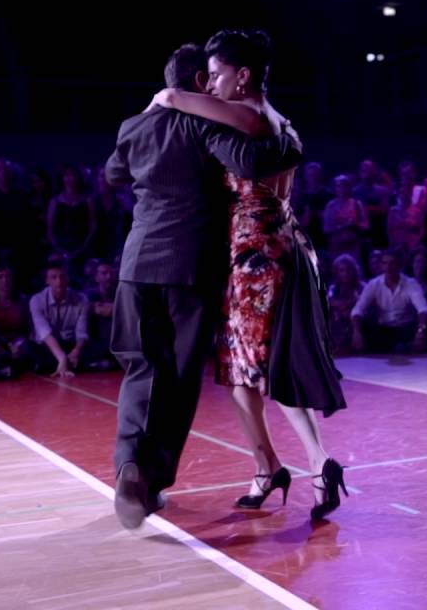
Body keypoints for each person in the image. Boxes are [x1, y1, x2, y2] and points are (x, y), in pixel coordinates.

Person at [106, 37, 320, 530]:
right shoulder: (204, 126)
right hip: (188, 269)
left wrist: (146, 121)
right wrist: (290, 141)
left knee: (140, 368)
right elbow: (251, 162)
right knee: (179, 379)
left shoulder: (134, 126)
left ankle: (129, 465)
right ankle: (151, 481)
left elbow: (114, 172)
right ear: (201, 83)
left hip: (135, 267)